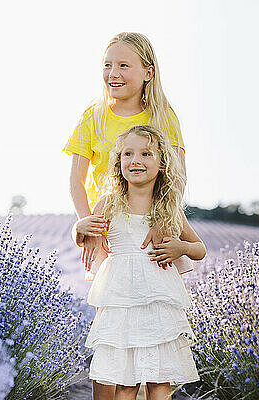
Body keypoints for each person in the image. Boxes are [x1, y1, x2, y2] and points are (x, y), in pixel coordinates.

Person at [72, 125, 206, 400]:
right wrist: (79, 228)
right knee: (125, 381)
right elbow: (85, 238)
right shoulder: (110, 204)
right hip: (121, 299)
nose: (136, 161)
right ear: (118, 161)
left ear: (161, 163)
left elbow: (199, 249)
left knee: (159, 380)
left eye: (146, 154)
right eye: (127, 154)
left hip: (157, 299)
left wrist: (180, 247)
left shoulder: (168, 210)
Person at [63, 31, 189, 280]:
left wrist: (164, 220)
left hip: (152, 227)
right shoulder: (93, 117)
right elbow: (76, 181)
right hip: (108, 233)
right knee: (112, 306)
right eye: (107, 65)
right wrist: (88, 223)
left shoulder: (164, 117)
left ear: (148, 73)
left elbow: (178, 177)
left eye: (123, 66)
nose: (113, 73)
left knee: (156, 304)